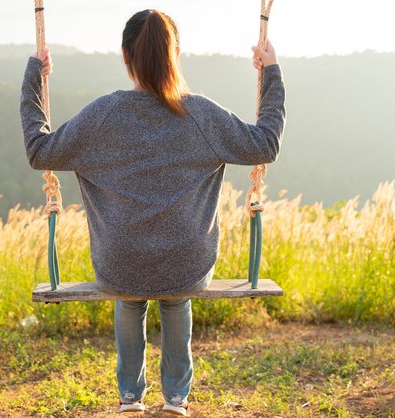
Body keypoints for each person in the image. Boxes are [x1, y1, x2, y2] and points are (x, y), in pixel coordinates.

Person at [21, 9, 285, 416]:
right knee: (176, 298)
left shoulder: (102, 114)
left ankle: (130, 397)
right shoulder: (200, 113)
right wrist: (271, 73)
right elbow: (265, 143)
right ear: (175, 55)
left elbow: (40, 151)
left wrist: (34, 79)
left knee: (128, 296)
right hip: (188, 262)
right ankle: (176, 399)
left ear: (126, 56)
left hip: (119, 262)